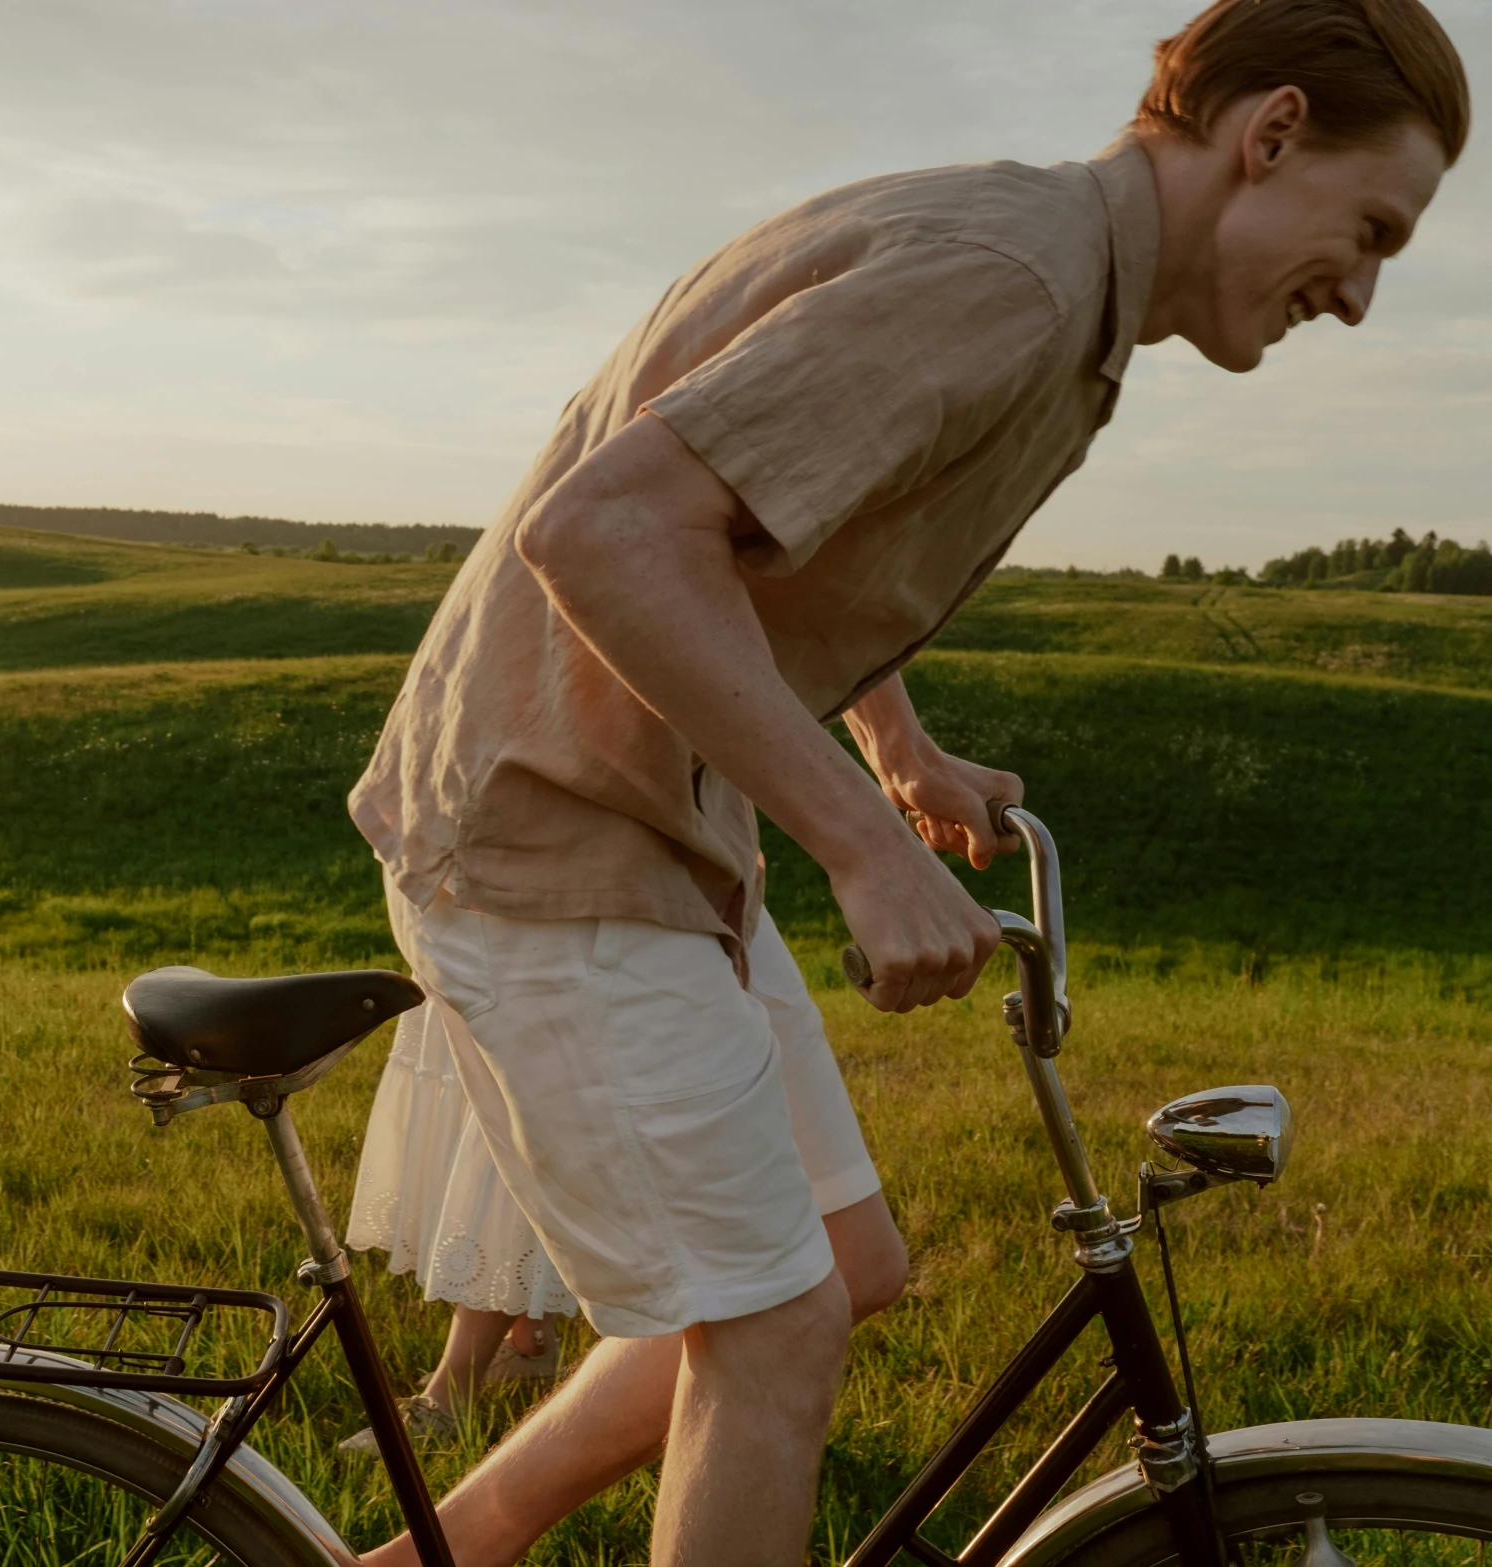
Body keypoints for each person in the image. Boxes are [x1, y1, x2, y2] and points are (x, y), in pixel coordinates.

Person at [345, 3, 1467, 1564]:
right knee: (776, 1329)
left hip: (649, 819)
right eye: (1370, 231)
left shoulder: (1034, 265)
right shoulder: (1006, 279)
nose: (1353, 296)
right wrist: (865, 849)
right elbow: (606, 530)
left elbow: (772, 514)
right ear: (1265, 134)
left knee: (831, 1260)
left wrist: (895, 744)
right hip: (549, 819)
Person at [335, 908, 896, 1453]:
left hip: (661, 892)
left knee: (539, 1126)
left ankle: (479, 1403)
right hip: (554, 891)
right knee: (516, 1126)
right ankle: (497, 1370)